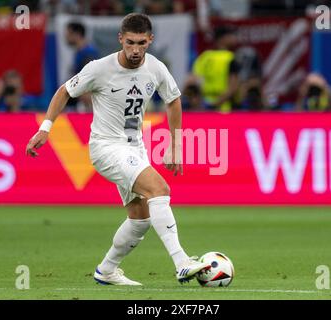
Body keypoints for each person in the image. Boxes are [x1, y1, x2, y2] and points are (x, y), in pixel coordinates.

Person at [26, 13, 211, 286]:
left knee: (140, 217)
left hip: (135, 148)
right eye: (130, 43)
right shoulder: (99, 68)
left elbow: (173, 100)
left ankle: (107, 270)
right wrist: (46, 127)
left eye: (141, 44)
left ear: (150, 40)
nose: (135, 50)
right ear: (120, 39)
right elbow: (64, 90)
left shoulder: (156, 68)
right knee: (159, 190)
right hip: (105, 147)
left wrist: (175, 145)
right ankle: (182, 262)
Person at [188, 26, 239, 112]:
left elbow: (192, 83)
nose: (234, 38)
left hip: (203, 106)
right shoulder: (230, 58)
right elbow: (233, 87)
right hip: (223, 108)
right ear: (222, 38)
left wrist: (201, 104)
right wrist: (214, 104)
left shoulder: (204, 57)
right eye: (230, 35)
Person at [65, 21, 100, 111]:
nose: (66, 37)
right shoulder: (80, 52)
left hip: (87, 99)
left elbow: (90, 79)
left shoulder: (88, 52)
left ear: (77, 34)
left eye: (68, 34)